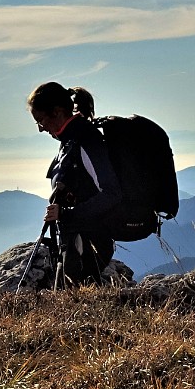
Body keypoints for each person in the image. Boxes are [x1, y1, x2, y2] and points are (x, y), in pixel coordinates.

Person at [26, 81, 124, 285]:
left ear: (57, 112)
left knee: (77, 303)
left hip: (88, 242)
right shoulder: (70, 141)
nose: (41, 129)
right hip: (76, 241)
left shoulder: (86, 140)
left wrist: (66, 214)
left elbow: (111, 193)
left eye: (41, 120)